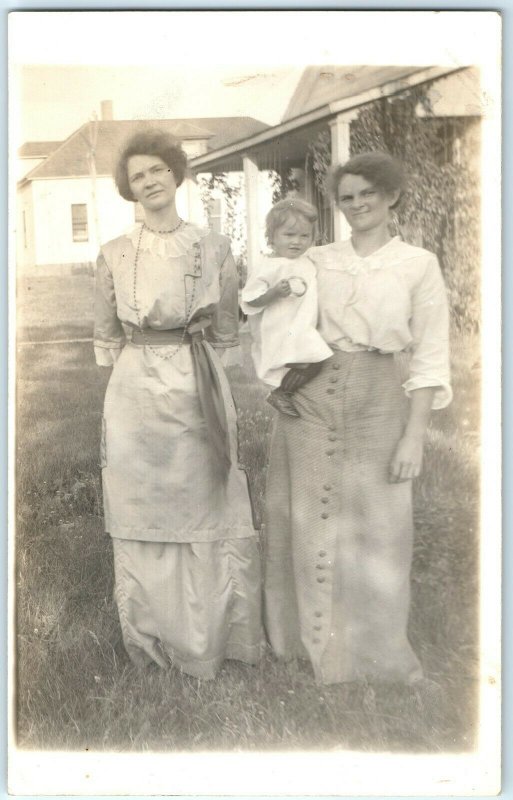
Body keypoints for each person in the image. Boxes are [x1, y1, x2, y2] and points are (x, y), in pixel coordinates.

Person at [263, 152, 452, 685]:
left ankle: (380, 656)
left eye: (368, 193)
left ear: (391, 195)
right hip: (312, 392)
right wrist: (278, 378)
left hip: (379, 395)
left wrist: (414, 436)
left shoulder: (418, 264)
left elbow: (432, 357)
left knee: (381, 525)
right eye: (347, 197)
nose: (358, 204)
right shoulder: (317, 259)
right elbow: (271, 311)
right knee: (305, 514)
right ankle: (306, 647)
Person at [94, 128, 263, 679]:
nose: (149, 182)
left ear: (175, 173)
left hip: (198, 384)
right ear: (129, 189)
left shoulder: (213, 247)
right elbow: (107, 335)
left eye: (157, 170)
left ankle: (211, 636)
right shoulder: (114, 254)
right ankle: (153, 633)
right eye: (137, 177)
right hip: (136, 390)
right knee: (145, 499)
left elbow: (224, 326)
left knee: (204, 497)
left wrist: (207, 376)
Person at [240, 199, 332, 416]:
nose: (297, 242)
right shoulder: (268, 266)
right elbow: (250, 301)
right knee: (313, 360)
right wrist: (273, 293)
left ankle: (284, 393)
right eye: (289, 235)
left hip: (303, 325)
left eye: (304, 236)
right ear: (272, 237)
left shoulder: (307, 262)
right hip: (281, 327)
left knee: (314, 361)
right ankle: (282, 393)